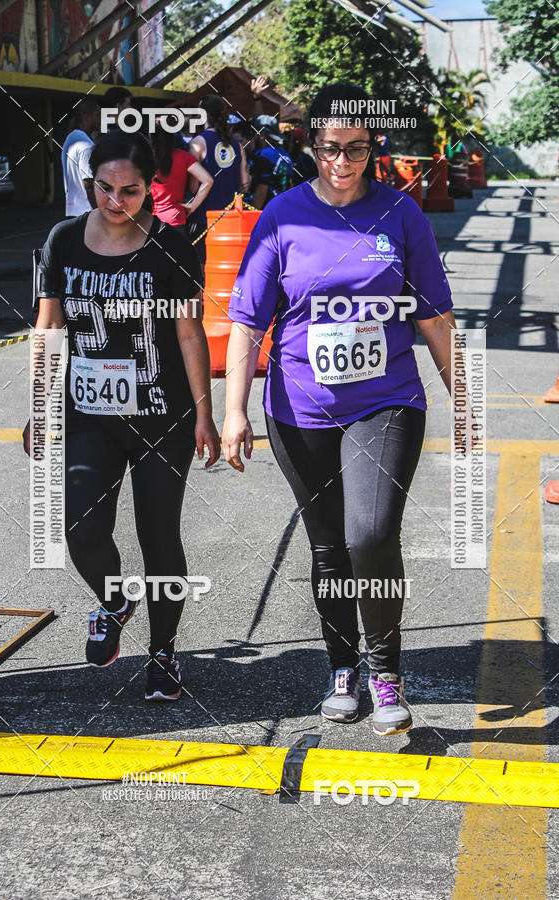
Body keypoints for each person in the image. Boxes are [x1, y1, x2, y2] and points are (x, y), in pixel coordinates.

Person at [222, 81, 455, 736]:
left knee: (369, 535)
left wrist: (463, 396)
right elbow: (246, 319)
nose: (343, 163)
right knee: (328, 547)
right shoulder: (283, 216)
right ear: (311, 145)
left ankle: (385, 669)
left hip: (386, 400)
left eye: (356, 148)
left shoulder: (402, 215)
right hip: (297, 408)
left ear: (373, 145)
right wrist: (234, 408)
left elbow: (435, 314)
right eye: (329, 148)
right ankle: (341, 667)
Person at [24, 130, 220, 700]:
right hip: (87, 412)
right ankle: (114, 601)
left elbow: (188, 332)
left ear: (149, 187)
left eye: (130, 191)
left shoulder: (173, 245)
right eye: (104, 190)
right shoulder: (62, 240)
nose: (115, 202)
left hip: (162, 414)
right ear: (90, 186)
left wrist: (205, 415)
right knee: (80, 528)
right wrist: (41, 408)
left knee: (159, 536)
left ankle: (163, 653)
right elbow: (49, 327)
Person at [187, 94, 250, 269]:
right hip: (231, 219)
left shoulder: (197, 143)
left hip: (203, 219)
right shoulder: (237, 145)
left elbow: (193, 188)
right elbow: (245, 184)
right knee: (227, 270)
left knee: (202, 271)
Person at [150, 123, 214, 234]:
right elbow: (208, 180)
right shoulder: (185, 156)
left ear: (151, 136)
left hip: (151, 220)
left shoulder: (147, 158)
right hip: (176, 218)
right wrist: (193, 206)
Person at [61, 98, 100, 217]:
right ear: (86, 116)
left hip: (72, 211)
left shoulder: (71, 137)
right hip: (86, 212)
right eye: (97, 114)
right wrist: (100, 213)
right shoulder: (86, 145)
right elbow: (88, 184)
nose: (100, 119)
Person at [249, 115, 294, 209]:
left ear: (261, 135)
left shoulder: (265, 155)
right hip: (283, 208)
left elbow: (262, 190)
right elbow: (290, 185)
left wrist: (253, 216)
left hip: (267, 211)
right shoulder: (285, 154)